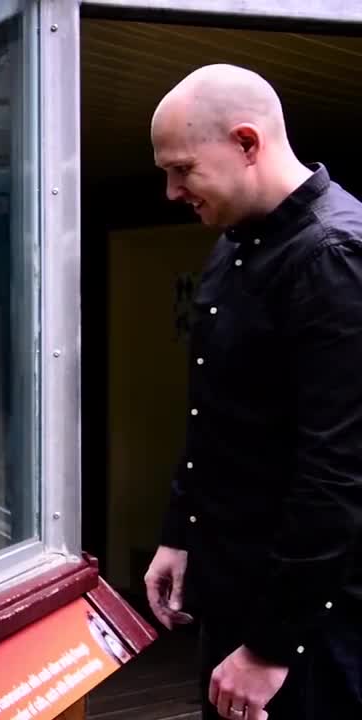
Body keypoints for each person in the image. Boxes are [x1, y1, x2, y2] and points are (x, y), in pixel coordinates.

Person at [144, 63, 362, 720]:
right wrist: (180, 533)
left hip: (313, 633)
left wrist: (271, 649)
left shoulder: (334, 255)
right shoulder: (237, 240)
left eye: (182, 169)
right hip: (237, 592)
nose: (171, 191)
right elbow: (215, 414)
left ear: (246, 142)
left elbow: (340, 473)